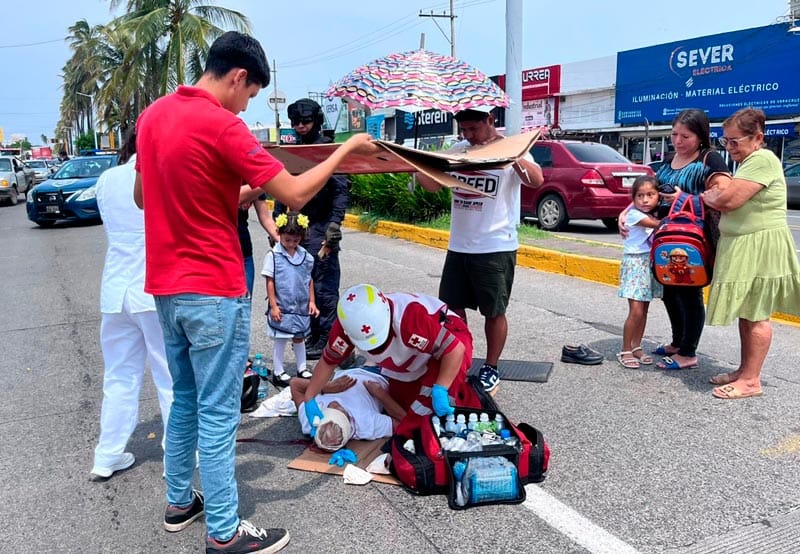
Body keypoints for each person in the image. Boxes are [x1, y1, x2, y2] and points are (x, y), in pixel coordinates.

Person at [133, 31, 374, 554]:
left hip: (167, 291)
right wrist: (348, 148)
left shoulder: (153, 117)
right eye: (251, 94)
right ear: (238, 76)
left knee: (187, 402)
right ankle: (224, 531)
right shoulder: (223, 124)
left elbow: (142, 196)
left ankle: (180, 502)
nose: (248, 105)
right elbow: (294, 192)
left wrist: (237, 191)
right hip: (213, 290)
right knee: (219, 412)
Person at [415, 108, 544, 394]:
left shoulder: (511, 148)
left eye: (474, 129)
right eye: (464, 130)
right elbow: (431, 186)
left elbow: (536, 180)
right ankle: (459, 356)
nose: (469, 136)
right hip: (459, 245)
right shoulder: (458, 151)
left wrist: (513, 158)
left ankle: (491, 366)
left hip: (495, 246)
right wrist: (418, 164)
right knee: (451, 308)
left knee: (494, 311)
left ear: (490, 121)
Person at [90, 129, 173, 481]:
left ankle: (106, 455)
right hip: (151, 289)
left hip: (115, 291)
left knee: (119, 376)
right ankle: (181, 447)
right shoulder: (159, 177)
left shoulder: (106, 179)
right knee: (170, 376)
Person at [701, 107, 800, 399]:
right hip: (744, 243)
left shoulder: (762, 160)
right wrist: (716, 196)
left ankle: (752, 380)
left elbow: (728, 199)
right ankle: (745, 371)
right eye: (725, 141)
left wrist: (715, 197)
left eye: (734, 141)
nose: (729, 148)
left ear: (757, 138)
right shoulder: (748, 162)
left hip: (759, 245)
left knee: (756, 313)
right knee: (747, 311)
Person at [619, 108, 729, 370]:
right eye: (674, 134)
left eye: (686, 136)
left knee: (690, 293)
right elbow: (647, 192)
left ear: (701, 136)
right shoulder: (670, 161)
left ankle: (688, 351)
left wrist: (684, 198)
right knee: (670, 291)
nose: (678, 141)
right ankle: (678, 341)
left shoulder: (709, 160)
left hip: (694, 239)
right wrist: (626, 213)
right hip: (665, 239)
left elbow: (723, 194)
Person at [302, 283, 476, 436]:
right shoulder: (348, 324)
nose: (373, 349)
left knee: (425, 416)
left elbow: (454, 349)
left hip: (448, 341)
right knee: (405, 411)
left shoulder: (409, 317)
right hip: (408, 358)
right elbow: (328, 361)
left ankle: (460, 404)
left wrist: (440, 388)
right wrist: (310, 397)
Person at [274, 98, 349, 361]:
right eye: (295, 122)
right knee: (302, 284)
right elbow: (283, 183)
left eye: (305, 121)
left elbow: (341, 191)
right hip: (299, 227)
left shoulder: (329, 150)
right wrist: (277, 216)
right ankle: (314, 333)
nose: (300, 126)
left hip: (322, 224)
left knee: (325, 286)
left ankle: (330, 339)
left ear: (316, 120)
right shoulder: (293, 150)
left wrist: (334, 224)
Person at [290, 366, 406, 453]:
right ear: (348, 422)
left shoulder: (310, 420)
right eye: (339, 411)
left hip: (344, 373)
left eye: (330, 408)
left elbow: (295, 384)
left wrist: (326, 387)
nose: (334, 404)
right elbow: (404, 422)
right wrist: (379, 393)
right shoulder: (366, 425)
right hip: (378, 374)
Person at [263, 211, 318, 386]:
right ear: (279, 233)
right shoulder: (273, 256)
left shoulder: (306, 257)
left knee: (299, 336)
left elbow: (309, 279)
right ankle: (278, 371)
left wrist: (312, 301)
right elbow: (270, 281)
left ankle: (302, 368)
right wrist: (273, 305)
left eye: (295, 241)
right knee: (281, 336)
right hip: (282, 305)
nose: (291, 244)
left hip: (300, 305)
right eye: (287, 240)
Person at [616, 175, 663, 369]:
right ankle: (625, 348)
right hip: (635, 263)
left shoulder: (648, 213)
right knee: (635, 310)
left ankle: (637, 346)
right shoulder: (635, 215)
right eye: (640, 196)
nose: (645, 200)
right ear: (633, 199)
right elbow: (659, 225)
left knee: (644, 310)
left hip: (647, 263)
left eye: (650, 195)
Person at [239, 194, 278, 295]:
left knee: (244, 301)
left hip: (244, 251)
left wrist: (282, 240)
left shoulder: (250, 182)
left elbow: (265, 217)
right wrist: (262, 185)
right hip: (217, 251)